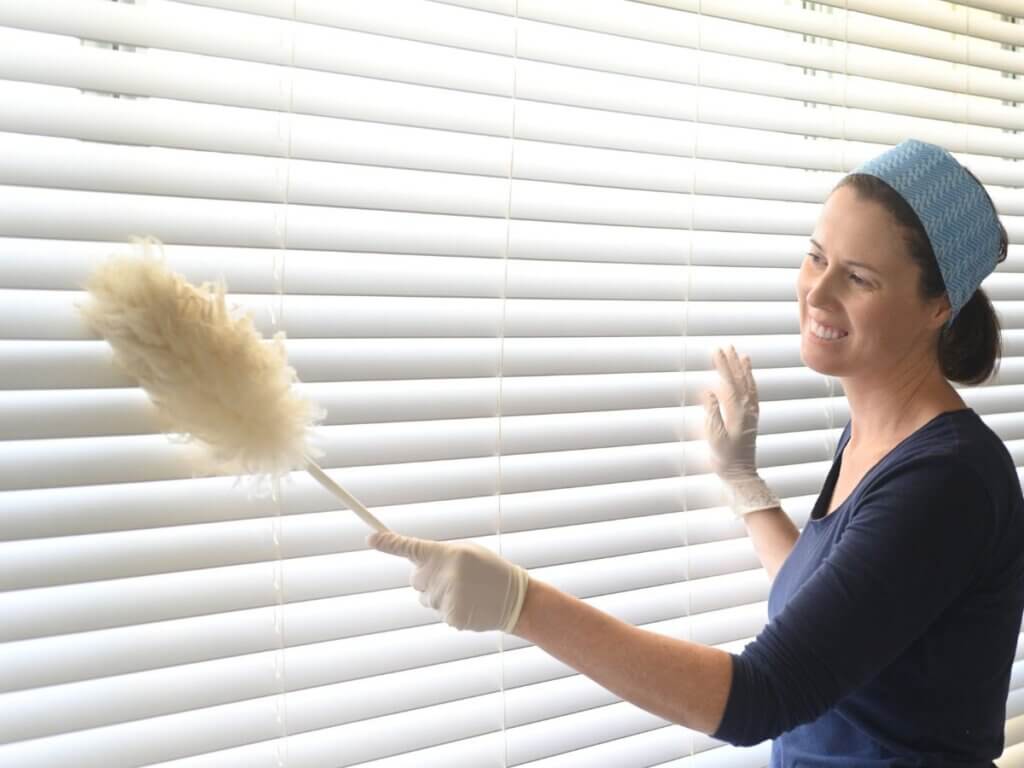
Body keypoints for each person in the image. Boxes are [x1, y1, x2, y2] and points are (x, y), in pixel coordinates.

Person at [367, 138, 1024, 764]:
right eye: (816, 257)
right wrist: (744, 483)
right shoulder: (880, 437)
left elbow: (760, 698)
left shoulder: (948, 480)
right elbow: (837, 608)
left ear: (939, 305)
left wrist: (521, 604)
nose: (816, 293)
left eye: (858, 278)